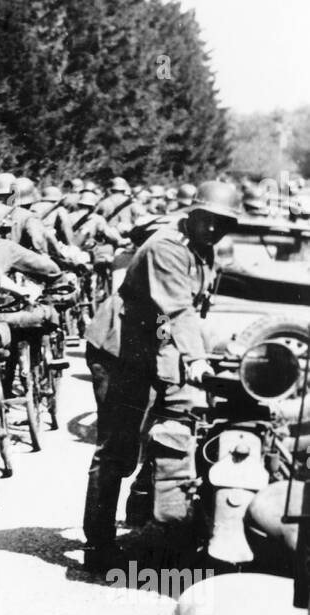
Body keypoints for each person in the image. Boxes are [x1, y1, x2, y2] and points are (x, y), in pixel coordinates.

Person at [81, 181, 241, 573]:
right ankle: (98, 544)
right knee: (116, 448)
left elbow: (193, 312)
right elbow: (177, 311)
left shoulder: (204, 249)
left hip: (155, 346)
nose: (215, 228)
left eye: (224, 223)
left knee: (177, 420)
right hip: (120, 350)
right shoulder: (167, 247)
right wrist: (197, 358)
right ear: (194, 214)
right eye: (209, 220)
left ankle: (150, 512)